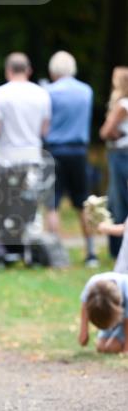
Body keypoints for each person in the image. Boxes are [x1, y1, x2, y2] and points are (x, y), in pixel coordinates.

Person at [43, 51, 97, 267]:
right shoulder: (86, 91)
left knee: (52, 204)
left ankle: (56, 253)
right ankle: (91, 251)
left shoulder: (48, 92)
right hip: (78, 151)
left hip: (55, 150)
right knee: (82, 202)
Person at [0, 52, 51, 166]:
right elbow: (44, 131)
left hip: (5, 159)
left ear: (8, 70)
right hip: (32, 157)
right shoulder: (42, 94)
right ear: (29, 70)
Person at [99, 66, 128, 260]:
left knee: (118, 201)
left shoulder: (122, 105)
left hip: (119, 155)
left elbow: (105, 131)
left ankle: (117, 250)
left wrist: (114, 133)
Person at [78, 270, 128, 354]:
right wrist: (84, 331)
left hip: (125, 319)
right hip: (110, 314)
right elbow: (85, 304)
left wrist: (126, 348)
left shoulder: (126, 291)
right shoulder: (92, 285)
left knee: (113, 347)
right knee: (101, 346)